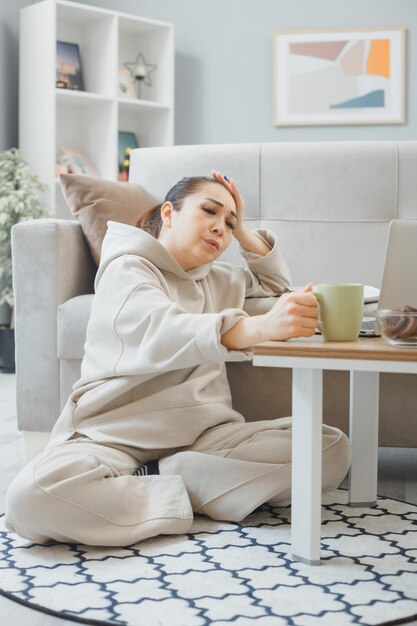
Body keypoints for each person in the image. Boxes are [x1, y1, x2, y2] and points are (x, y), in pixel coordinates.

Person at [5, 171, 351, 546]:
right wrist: (257, 328)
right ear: (168, 213)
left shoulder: (221, 279)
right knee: (30, 498)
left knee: (330, 448)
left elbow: (274, 286)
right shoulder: (128, 267)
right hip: (114, 438)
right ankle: (185, 489)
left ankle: (161, 478)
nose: (220, 228)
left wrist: (243, 230)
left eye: (228, 223)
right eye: (209, 211)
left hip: (205, 437)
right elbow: (162, 329)